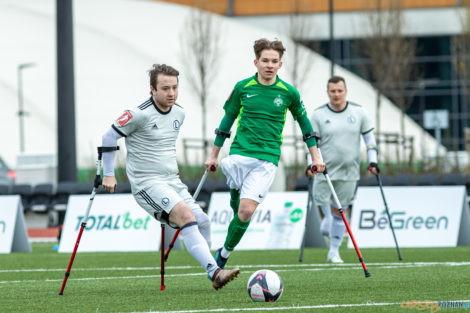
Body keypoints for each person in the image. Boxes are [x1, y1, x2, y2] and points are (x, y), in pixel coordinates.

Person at [101, 64, 239, 290]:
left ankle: (212, 270)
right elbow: (108, 136)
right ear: (152, 90)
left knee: (203, 221)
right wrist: (108, 174)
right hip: (147, 183)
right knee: (185, 216)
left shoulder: (179, 113)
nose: (171, 93)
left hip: (173, 181)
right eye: (165, 88)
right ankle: (215, 272)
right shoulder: (138, 114)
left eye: (175, 87)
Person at [205, 38, 326, 269]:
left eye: (274, 61)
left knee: (245, 211)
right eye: (265, 60)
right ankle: (236, 196)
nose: (269, 65)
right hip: (238, 156)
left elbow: (305, 125)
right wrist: (213, 155)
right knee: (238, 208)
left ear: (280, 65)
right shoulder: (243, 87)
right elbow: (226, 121)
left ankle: (223, 255)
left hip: (267, 159)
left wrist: (316, 157)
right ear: (256, 62)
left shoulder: (289, 92)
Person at [306, 76, 379, 263]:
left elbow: (369, 139)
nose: (336, 94)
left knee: (341, 212)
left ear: (345, 91)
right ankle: (327, 221)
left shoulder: (359, 112)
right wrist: (311, 164)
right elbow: (312, 144)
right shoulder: (318, 115)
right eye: (332, 91)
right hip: (324, 171)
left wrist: (373, 161)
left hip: (349, 172)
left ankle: (334, 252)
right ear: (327, 92)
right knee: (323, 209)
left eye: (340, 91)